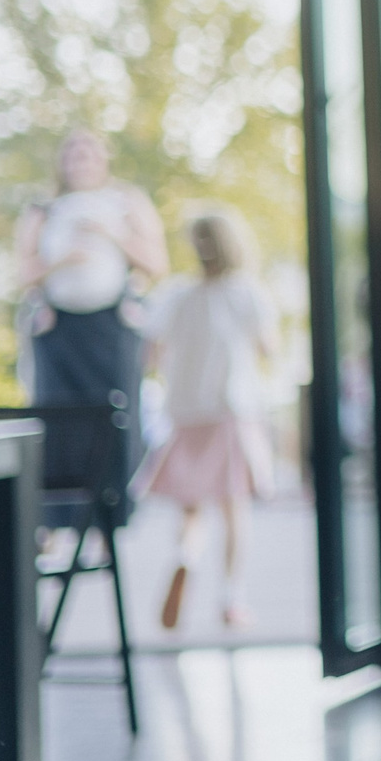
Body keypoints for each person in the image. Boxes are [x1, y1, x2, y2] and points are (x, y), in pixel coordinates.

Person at [136, 204, 279, 631]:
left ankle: (185, 557)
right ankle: (232, 598)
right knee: (234, 509)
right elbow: (269, 348)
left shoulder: (176, 294)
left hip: (186, 413)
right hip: (230, 411)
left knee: (191, 509)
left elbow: (150, 352)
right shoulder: (246, 293)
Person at [14, 129, 167, 527]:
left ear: (104, 160)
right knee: (59, 421)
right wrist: (60, 262)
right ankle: (59, 520)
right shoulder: (43, 208)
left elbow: (157, 264)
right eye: (73, 154)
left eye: (89, 154)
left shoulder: (127, 202)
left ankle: (110, 519)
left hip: (112, 327)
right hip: (59, 331)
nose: (81, 162)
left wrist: (112, 235)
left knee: (116, 419)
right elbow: (21, 274)